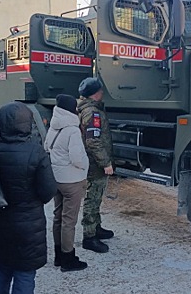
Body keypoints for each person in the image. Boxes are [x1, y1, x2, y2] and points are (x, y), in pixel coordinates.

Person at [0, 101, 56, 294]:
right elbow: (48, 191)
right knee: (25, 273)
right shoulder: (36, 151)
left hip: (2, 219)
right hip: (30, 222)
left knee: (2, 268)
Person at [44, 94, 88, 272]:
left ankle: (58, 256)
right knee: (69, 221)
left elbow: (47, 147)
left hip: (56, 179)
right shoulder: (73, 130)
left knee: (58, 217)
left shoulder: (54, 126)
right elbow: (77, 158)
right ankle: (68, 259)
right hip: (72, 181)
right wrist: (86, 165)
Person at [77, 77, 115, 254]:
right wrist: (105, 163)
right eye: (100, 90)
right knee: (93, 197)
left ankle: (96, 227)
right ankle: (89, 236)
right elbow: (93, 141)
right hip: (95, 163)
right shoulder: (92, 112)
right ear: (96, 93)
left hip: (93, 161)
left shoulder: (88, 109)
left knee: (97, 195)